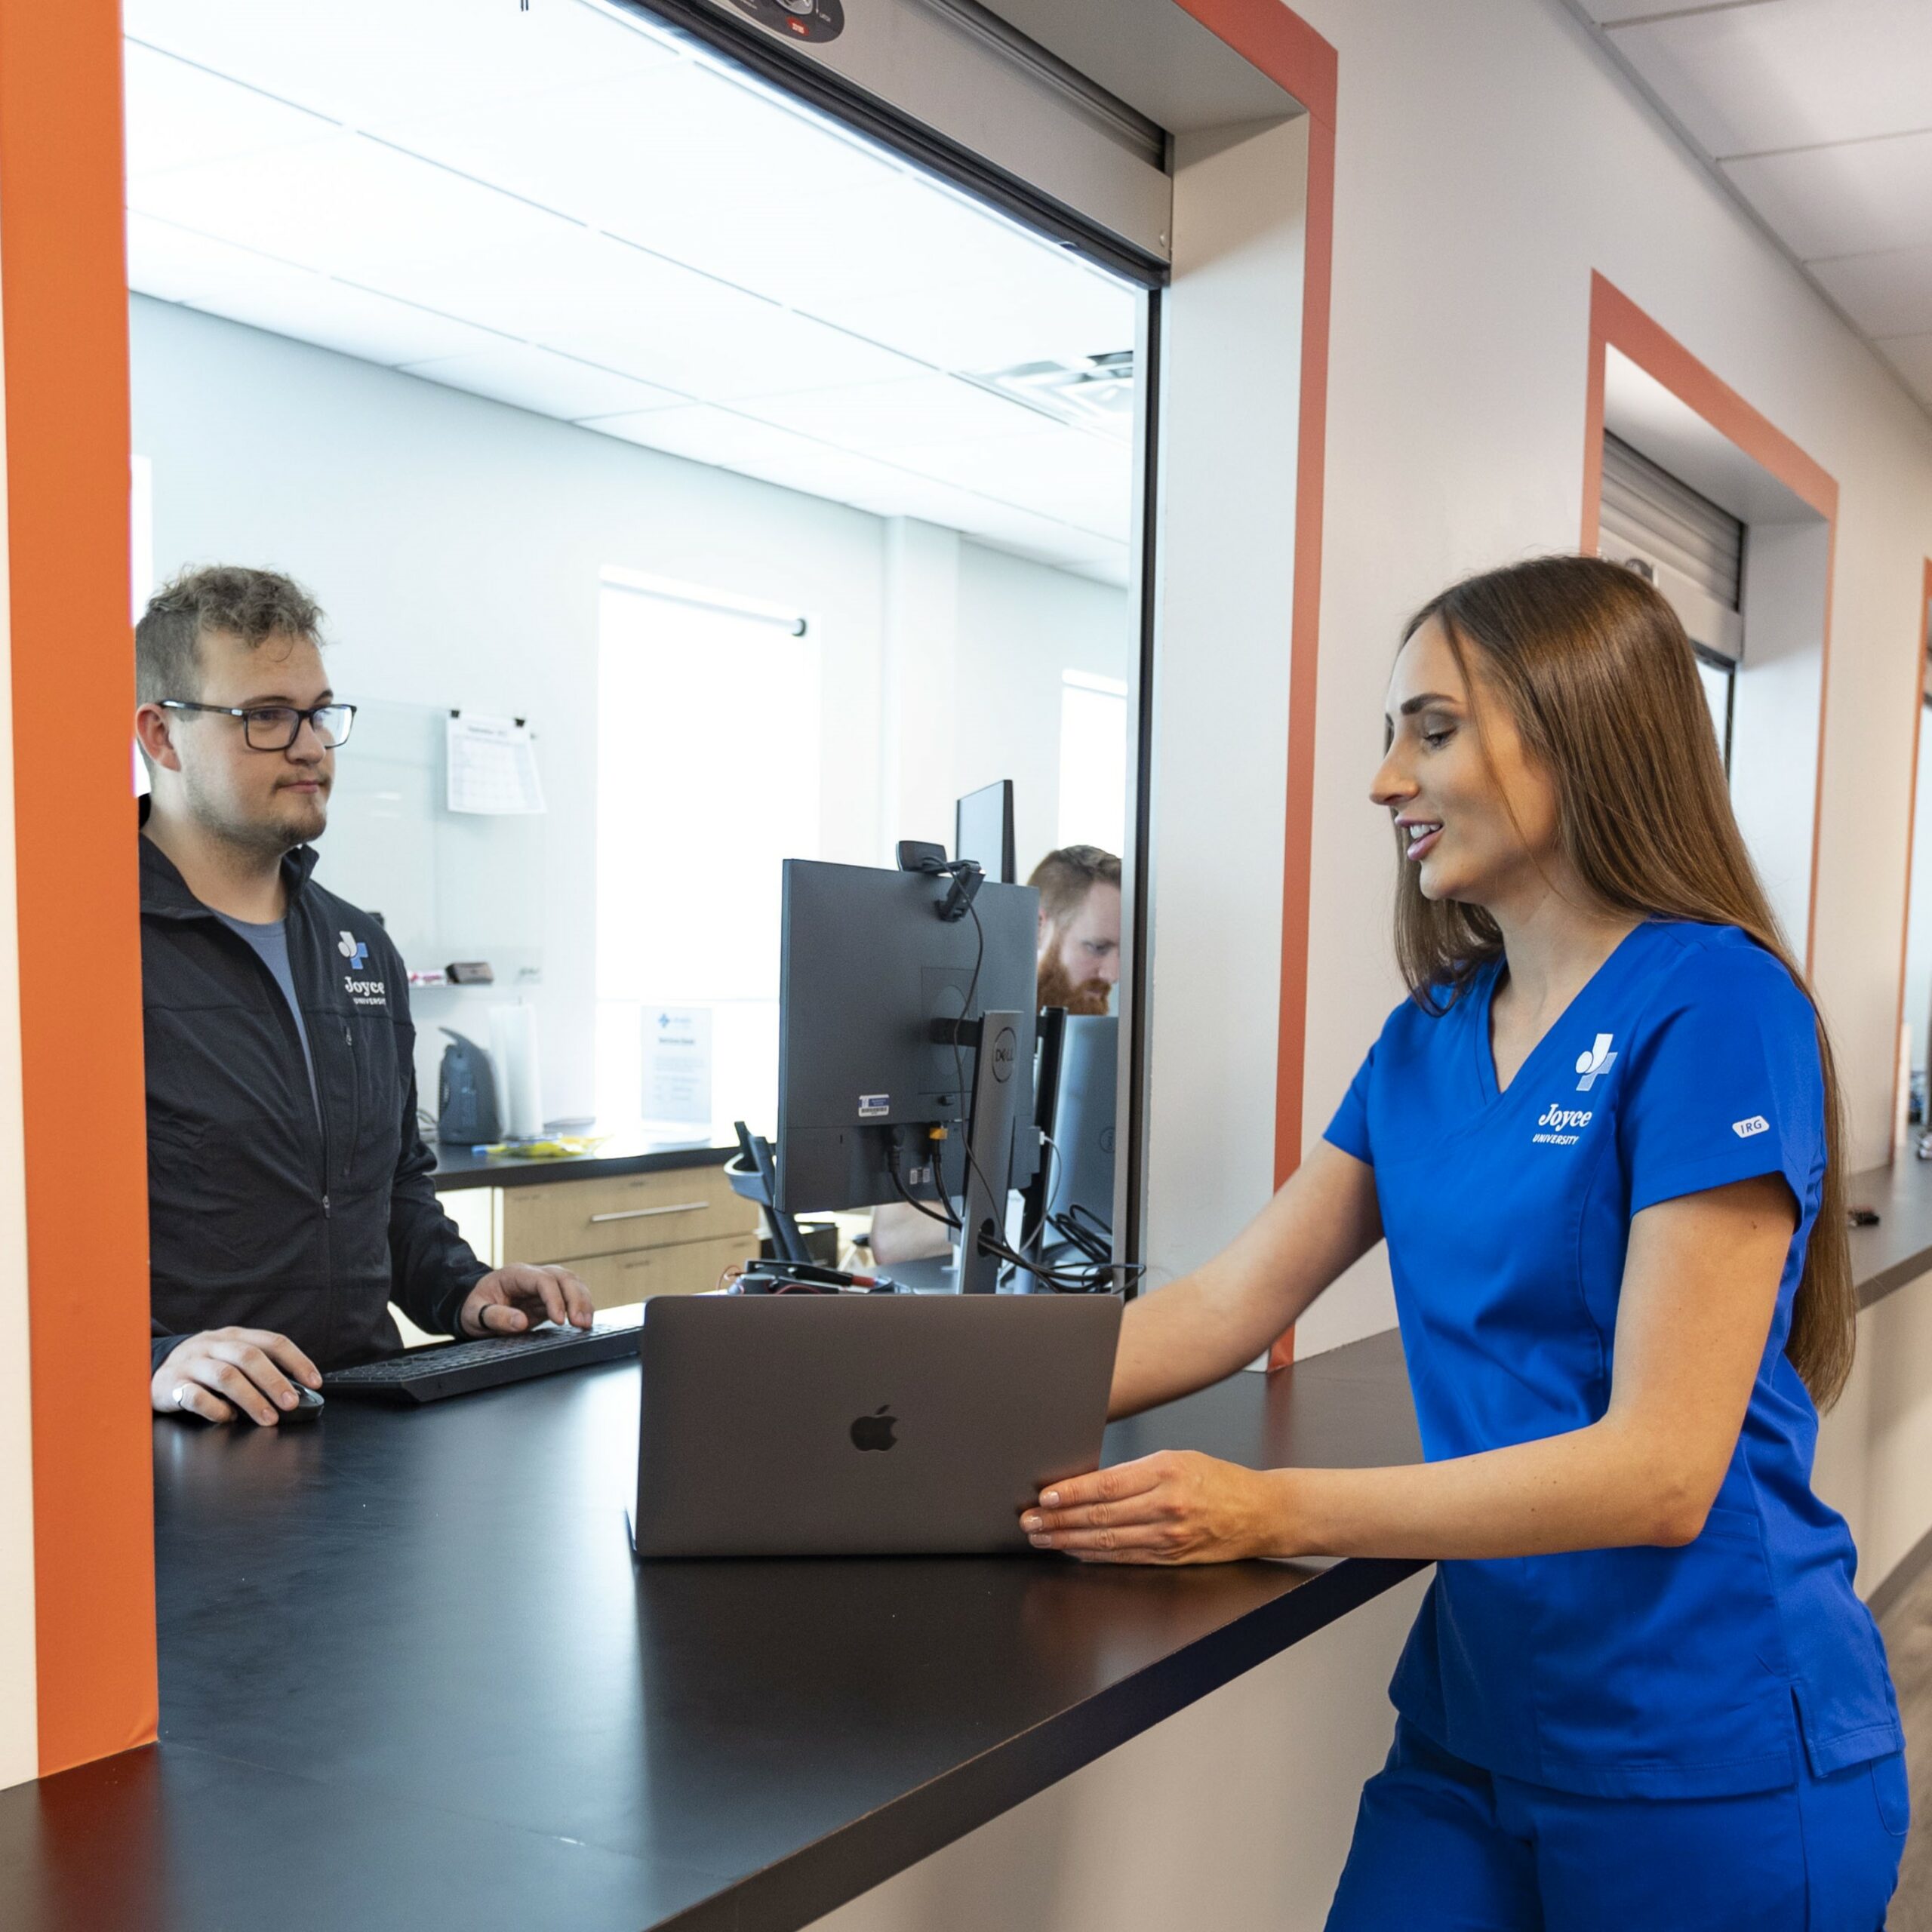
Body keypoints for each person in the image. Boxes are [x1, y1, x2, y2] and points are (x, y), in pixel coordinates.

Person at [1020, 557, 1907, 1928]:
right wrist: (912, 1401)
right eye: (1392, 737)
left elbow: (1664, 1470)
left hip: (1711, 1747)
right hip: (1476, 1727)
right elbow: (1218, 1306)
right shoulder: (1428, 1039)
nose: (1385, 781)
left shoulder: (1716, 1004)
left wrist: (1271, 1509)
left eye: (1431, 729)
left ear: (1581, 725)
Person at [134, 566, 593, 1426]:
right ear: (163, 735)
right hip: (184, 1452)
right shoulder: (81, 950)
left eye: (319, 712)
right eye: (264, 715)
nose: (310, 745)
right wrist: (151, 1361)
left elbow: (394, 1192)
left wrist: (465, 1291)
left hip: (363, 1426)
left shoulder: (360, 947)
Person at [867, 841, 1122, 1267]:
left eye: (1121, 951)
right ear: (1037, 928)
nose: (1113, 974)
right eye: (1096, 948)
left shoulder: (1111, 1052)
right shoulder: (963, 1038)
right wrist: (1035, 1213)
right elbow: (894, 1238)